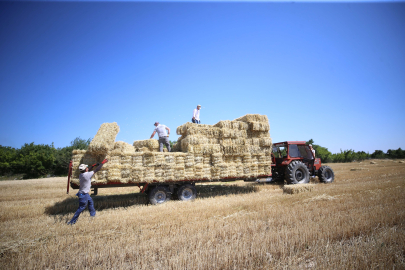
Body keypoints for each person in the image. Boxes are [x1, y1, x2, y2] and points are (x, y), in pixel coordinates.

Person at [67, 159, 108, 225]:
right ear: (85, 169)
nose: (87, 168)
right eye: (86, 168)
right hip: (83, 194)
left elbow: (88, 170)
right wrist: (102, 163)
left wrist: (93, 165)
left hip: (84, 193)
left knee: (90, 202)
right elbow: (97, 170)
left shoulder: (81, 174)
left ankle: (93, 215)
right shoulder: (87, 175)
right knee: (81, 208)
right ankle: (72, 222)